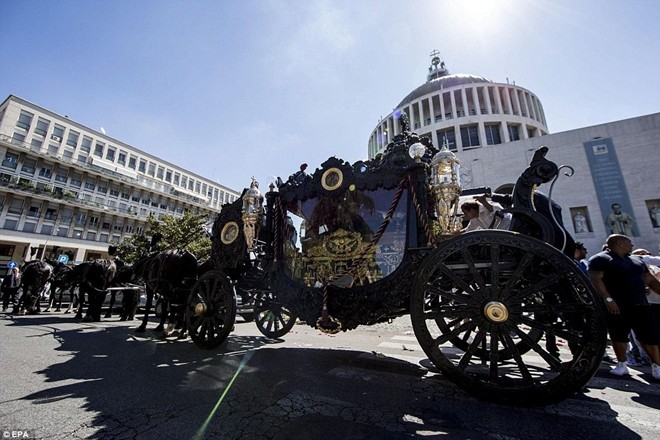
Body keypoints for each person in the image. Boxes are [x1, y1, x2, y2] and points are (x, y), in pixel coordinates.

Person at [588, 234, 660, 379]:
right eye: (629, 242)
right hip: (617, 304)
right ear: (619, 243)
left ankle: (657, 366)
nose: (632, 245)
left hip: (640, 303)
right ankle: (622, 364)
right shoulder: (600, 259)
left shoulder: (636, 260)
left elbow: (650, 281)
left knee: (649, 336)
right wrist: (608, 299)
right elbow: (596, 280)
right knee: (618, 335)